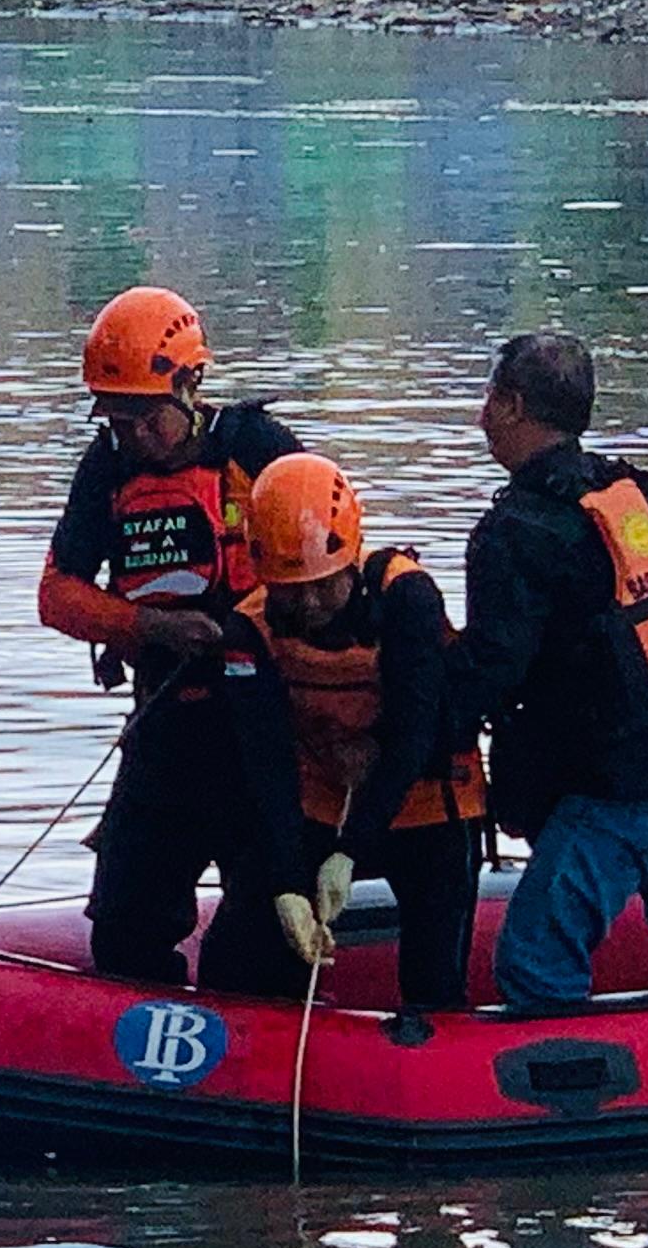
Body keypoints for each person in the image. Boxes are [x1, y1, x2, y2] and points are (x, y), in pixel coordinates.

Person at [452, 332, 648, 1016]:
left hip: (630, 786)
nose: (481, 414)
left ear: (510, 404)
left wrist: (408, 710)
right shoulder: (636, 495)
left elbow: (492, 669)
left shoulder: (516, 532)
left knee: (534, 958)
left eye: (488, 396)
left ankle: (564, 1106)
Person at [39, 285, 311, 992]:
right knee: (126, 925)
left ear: (192, 386)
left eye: (145, 419)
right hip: (165, 723)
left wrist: (236, 626)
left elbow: (328, 572)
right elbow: (57, 593)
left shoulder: (259, 451)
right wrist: (143, 626)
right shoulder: (107, 468)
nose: (131, 436)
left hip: (262, 732)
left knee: (257, 940)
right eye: (116, 419)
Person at [235, 454, 489, 1018]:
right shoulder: (250, 626)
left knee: (433, 979)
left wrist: (351, 851)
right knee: (252, 946)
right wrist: (286, 880)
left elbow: (415, 731)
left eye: (323, 587)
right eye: (291, 589)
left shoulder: (407, 598)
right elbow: (265, 757)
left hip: (428, 805)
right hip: (320, 802)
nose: (308, 605)